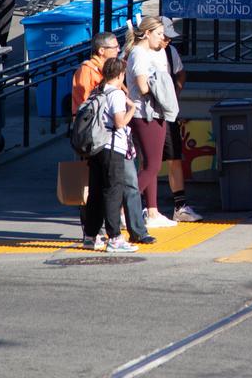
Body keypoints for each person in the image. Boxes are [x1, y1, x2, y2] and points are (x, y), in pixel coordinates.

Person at [72, 33, 154, 248]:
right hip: (102, 142)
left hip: (107, 143)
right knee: (107, 190)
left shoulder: (108, 80)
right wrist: (129, 108)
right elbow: (88, 110)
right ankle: (108, 235)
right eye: (114, 47)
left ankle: (134, 230)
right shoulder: (87, 72)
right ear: (101, 51)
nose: (118, 50)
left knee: (123, 185)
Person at [81, 56, 140, 254]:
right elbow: (120, 122)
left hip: (96, 148)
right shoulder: (116, 94)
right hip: (113, 148)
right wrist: (132, 108)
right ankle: (114, 238)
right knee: (113, 192)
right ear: (121, 75)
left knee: (96, 192)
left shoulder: (97, 91)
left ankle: (90, 236)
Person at [123, 16, 177, 228]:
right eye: (159, 34)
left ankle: (152, 212)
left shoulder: (145, 53)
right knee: (153, 166)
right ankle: (121, 208)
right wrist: (162, 85)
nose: (162, 38)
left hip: (150, 112)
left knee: (149, 164)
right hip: (146, 114)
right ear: (147, 33)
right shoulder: (139, 53)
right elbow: (143, 86)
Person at [160, 17, 202, 223]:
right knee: (148, 163)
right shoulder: (137, 53)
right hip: (146, 114)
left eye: (170, 37)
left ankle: (180, 205)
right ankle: (144, 207)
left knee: (174, 157)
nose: (167, 40)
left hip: (168, 113)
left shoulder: (170, 51)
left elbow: (181, 73)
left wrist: (175, 93)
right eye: (164, 36)